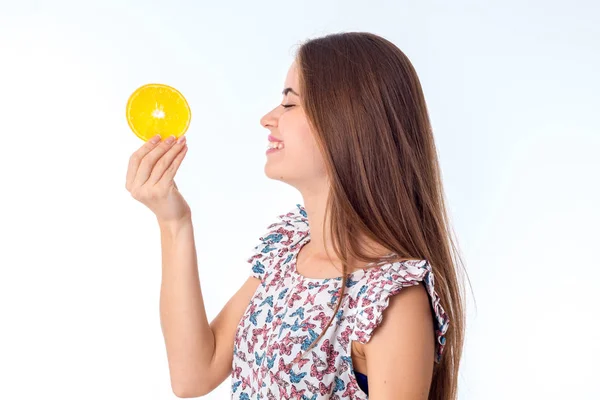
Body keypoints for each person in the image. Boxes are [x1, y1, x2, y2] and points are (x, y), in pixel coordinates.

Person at [126, 32, 466, 400]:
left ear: (346, 121)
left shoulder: (390, 300)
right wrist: (173, 223)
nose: (268, 119)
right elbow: (193, 374)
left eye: (289, 104)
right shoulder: (289, 251)